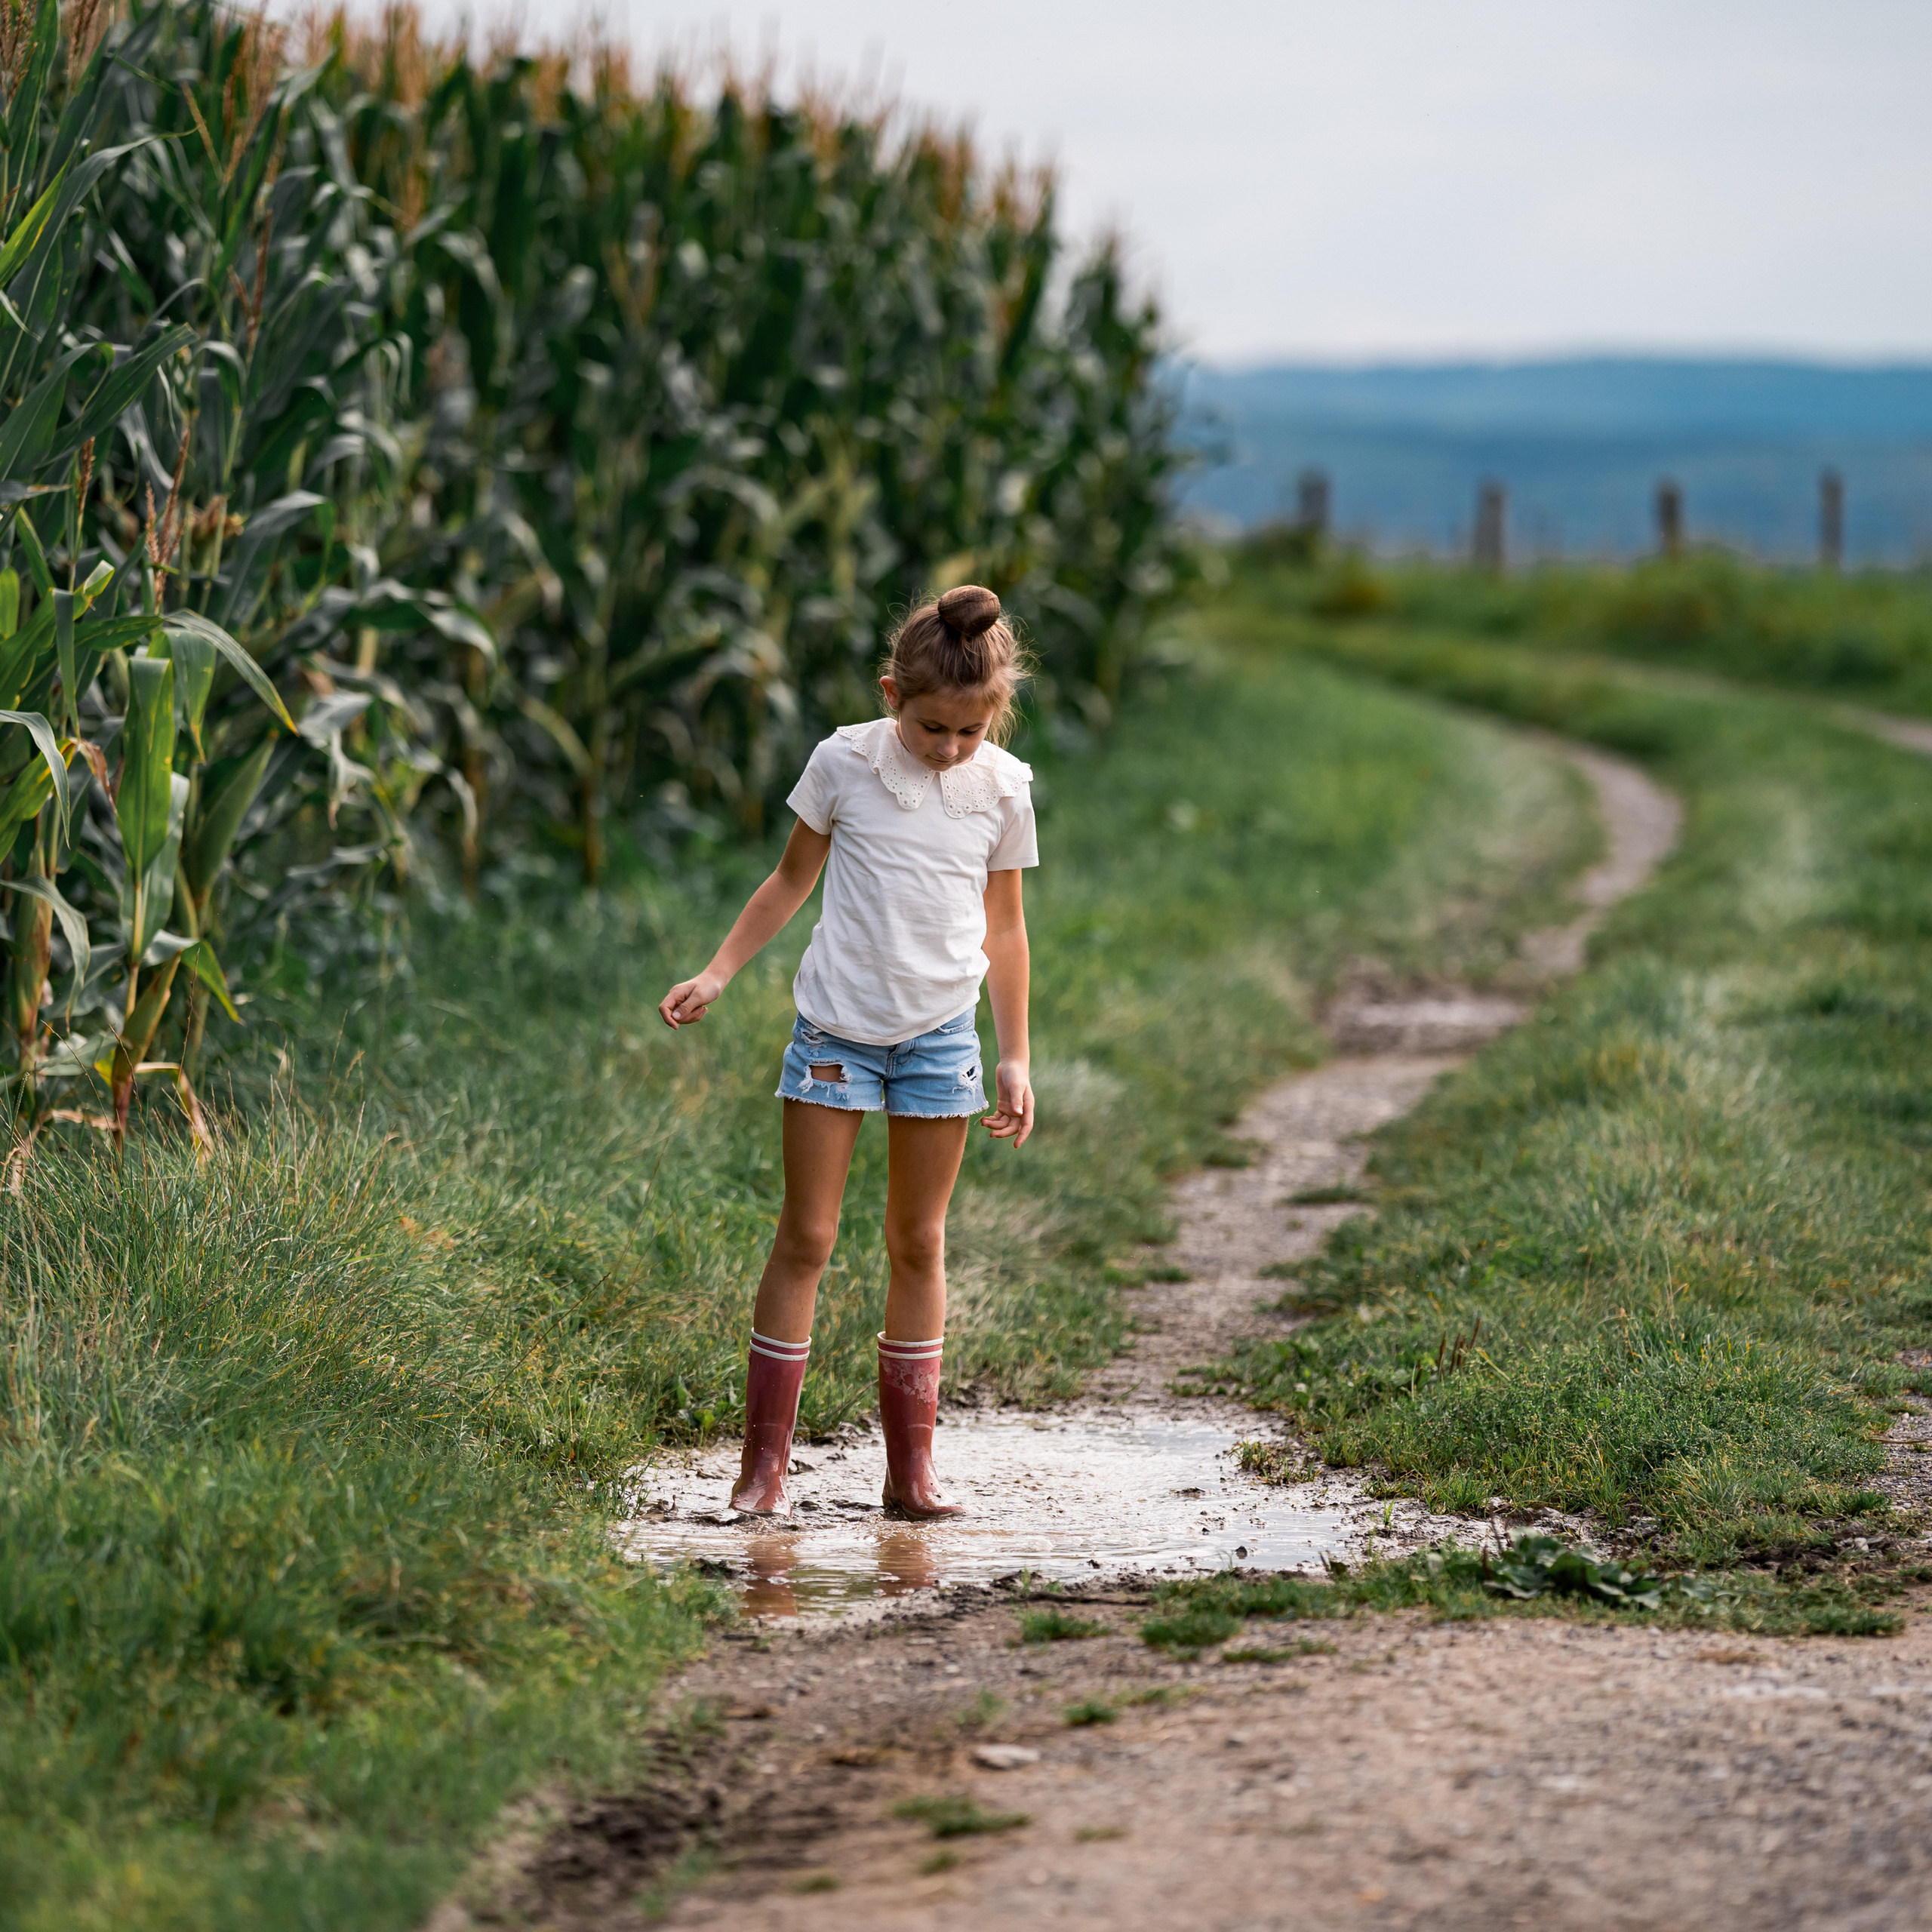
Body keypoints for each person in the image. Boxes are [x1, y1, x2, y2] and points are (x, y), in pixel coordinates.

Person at [657, 585, 1038, 1520]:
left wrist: (1014, 1054)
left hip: (940, 1037)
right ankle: (762, 1471)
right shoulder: (843, 762)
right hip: (835, 1033)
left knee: (918, 1242)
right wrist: (719, 972)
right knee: (807, 1237)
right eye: (931, 728)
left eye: (968, 732)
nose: (949, 749)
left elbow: (1007, 930)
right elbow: (791, 879)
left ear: (994, 719)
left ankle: (911, 1474)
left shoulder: (1004, 788)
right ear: (889, 696)